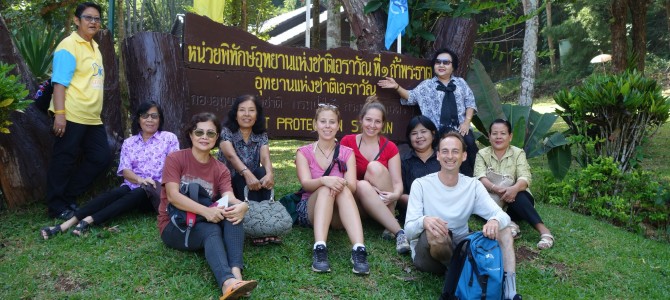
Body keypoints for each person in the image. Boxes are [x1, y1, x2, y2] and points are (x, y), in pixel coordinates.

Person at [405, 132, 521, 300]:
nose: (450, 156)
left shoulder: (472, 185)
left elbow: (502, 216)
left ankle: (510, 290)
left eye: (455, 151)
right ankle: (458, 275)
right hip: (429, 254)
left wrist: (495, 220)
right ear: (438, 155)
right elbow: (408, 231)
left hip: (460, 244)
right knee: (437, 231)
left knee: (504, 229)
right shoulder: (421, 184)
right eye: (445, 151)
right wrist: (424, 221)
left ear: (464, 156)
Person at [40, 101, 179, 239]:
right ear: (138, 119)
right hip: (134, 184)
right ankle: (65, 224)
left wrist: (150, 182)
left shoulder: (168, 138)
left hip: (156, 193)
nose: (149, 120)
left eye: (154, 116)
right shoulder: (130, 143)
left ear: (160, 120)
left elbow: (174, 168)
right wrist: (140, 180)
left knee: (138, 192)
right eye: (145, 115)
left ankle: (89, 221)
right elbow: (125, 170)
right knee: (114, 194)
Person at [158, 113, 257, 299]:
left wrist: (244, 206)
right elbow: (173, 196)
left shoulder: (220, 168)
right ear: (190, 134)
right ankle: (227, 283)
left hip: (201, 218)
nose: (204, 137)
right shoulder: (176, 159)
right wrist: (207, 211)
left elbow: (229, 197)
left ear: (216, 137)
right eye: (199, 132)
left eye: (210, 133)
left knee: (233, 216)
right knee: (210, 230)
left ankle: (237, 275)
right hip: (174, 225)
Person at [46, 2, 112, 220]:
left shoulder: (95, 47)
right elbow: (59, 84)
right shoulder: (68, 46)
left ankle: (69, 196)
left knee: (101, 157)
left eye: (97, 18)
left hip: (92, 117)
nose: (93, 22)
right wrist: (60, 114)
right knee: (64, 158)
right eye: (88, 18)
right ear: (77, 20)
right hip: (71, 113)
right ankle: (56, 206)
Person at [377, 48, 479, 176]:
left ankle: (474, 179)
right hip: (438, 129)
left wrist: (466, 122)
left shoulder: (461, 83)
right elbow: (410, 96)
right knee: (450, 148)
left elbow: (470, 102)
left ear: (453, 67)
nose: (441, 65)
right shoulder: (427, 86)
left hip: (460, 128)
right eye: (438, 62)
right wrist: (396, 87)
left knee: (469, 144)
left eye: (446, 62)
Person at [295, 104, 369, 275]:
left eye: (332, 122)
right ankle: (319, 248)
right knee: (324, 189)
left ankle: (359, 249)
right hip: (312, 208)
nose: (327, 126)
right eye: (323, 121)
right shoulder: (303, 152)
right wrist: (323, 180)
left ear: (338, 125)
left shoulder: (347, 152)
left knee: (342, 189)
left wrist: (337, 183)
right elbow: (306, 183)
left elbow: (352, 186)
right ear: (315, 125)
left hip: (339, 212)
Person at [340, 96, 410, 255]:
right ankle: (397, 229)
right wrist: (368, 187)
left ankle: (390, 224)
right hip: (357, 200)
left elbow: (397, 182)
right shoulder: (347, 142)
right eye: (368, 120)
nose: (372, 125)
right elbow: (342, 175)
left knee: (374, 167)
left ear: (383, 124)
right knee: (362, 184)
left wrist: (395, 195)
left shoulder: (390, 147)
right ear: (361, 120)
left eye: (377, 121)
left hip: (384, 201)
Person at [474, 119, 554, 250]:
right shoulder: (482, 154)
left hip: (514, 200)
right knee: (479, 202)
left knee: (520, 197)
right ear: (489, 136)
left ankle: (545, 232)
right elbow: (480, 176)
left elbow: (525, 177)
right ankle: (510, 224)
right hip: (492, 197)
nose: (498, 137)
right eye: (494, 133)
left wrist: (514, 189)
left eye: (503, 133)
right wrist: (495, 188)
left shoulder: (518, 153)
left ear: (510, 136)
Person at [217, 95, 277, 246]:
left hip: (253, 184)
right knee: (241, 177)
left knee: (262, 173)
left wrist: (270, 173)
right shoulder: (226, 132)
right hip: (230, 185)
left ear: (257, 115)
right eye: (242, 110)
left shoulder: (261, 134)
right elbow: (231, 156)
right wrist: (246, 173)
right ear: (235, 114)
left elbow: (265, 157)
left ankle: (267, 224)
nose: (246, 114)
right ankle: (256, 227)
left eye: (251, 110)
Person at [398, 116, 441, 224]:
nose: (419, 136)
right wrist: (423, 204)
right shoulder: (403, 161)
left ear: (433, 133)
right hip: (412, 214)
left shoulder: (444, 158)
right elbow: (399, 195)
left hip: (443, 211)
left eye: (423, 131)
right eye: (414, 133)